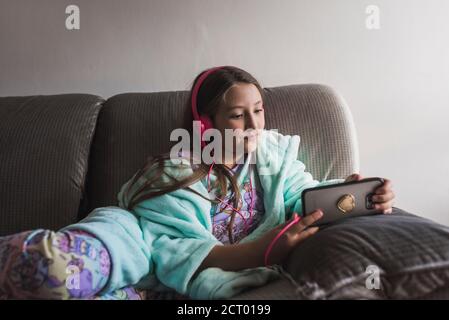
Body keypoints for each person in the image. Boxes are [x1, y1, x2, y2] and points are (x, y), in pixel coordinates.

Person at [0, 66, 395, 300]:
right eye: (238, 115)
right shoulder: (177, 168)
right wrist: (259, 252)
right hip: (134, 241)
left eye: (258, 110)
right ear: (206, 124)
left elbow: (302, 196)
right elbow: (174, 248)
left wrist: (354, 194)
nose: (255, 124)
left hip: (155, 286)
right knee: (51, 269)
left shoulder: (273, 157)